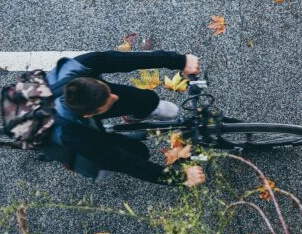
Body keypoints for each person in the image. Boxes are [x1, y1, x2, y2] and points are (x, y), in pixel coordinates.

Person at [39, 50, 204, 186]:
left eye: (107, 92)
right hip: (72, 137)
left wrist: (180, 61)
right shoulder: (72, 135)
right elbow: (125, 163)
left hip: (74, 108)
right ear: (88, 115)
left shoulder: (79, 67)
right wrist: (181, 178)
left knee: (147, 99)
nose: (114, 98)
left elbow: (126, 60)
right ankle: (108, 144)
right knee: (137, 153)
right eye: (107, 101)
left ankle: (133, 116)